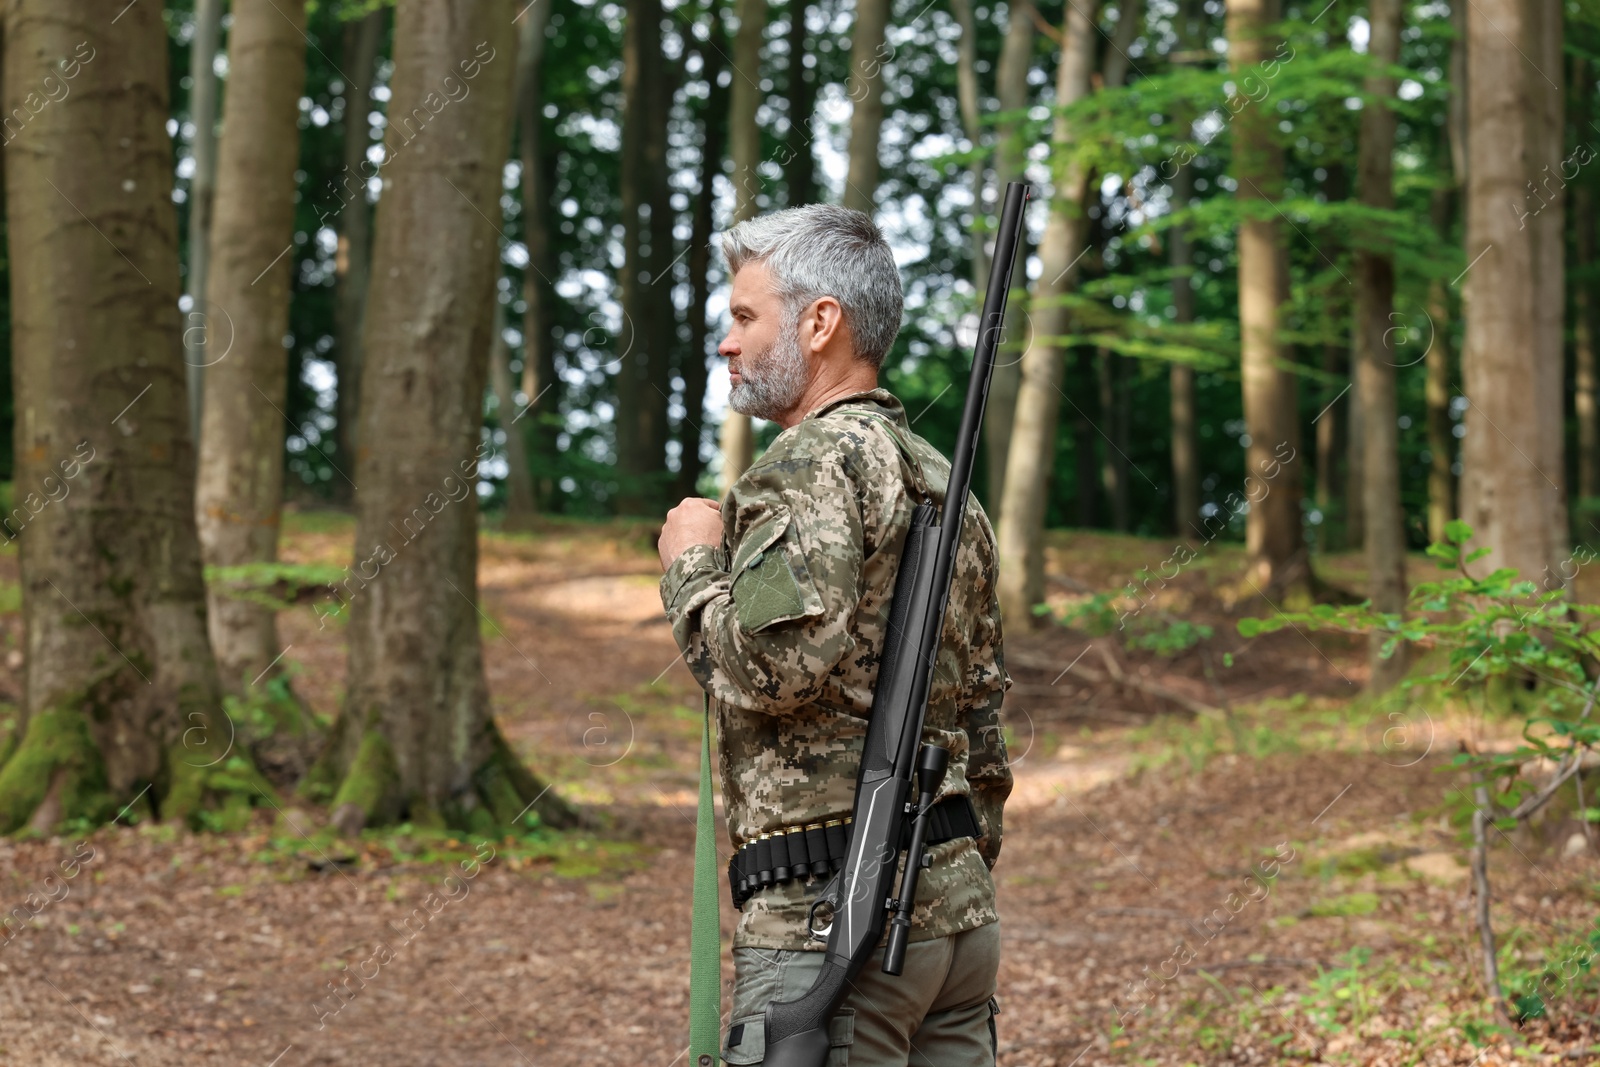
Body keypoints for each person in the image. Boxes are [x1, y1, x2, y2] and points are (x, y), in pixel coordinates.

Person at [657, 203, 1013, 1067]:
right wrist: (945, 873)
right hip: (955, 925)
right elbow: (984, 723)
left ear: (820, 324)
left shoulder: (810, 464)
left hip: (830, 915)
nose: (727, 344)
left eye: (744, 317)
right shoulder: (947, 485)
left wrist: (691, 566)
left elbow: (776, 669)